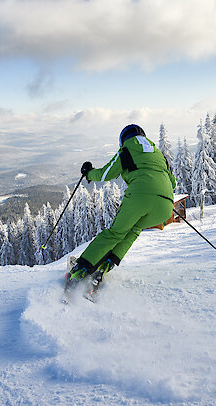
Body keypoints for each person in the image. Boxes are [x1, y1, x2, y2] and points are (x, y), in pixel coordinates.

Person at [66, 124, 177, 292]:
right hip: (165, 206)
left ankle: (80, 271)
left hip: (140, 197)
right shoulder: (159, 154)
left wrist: (88, 173)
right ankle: (105, 265)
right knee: (134, 229)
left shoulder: (127, 150)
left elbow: (106, 174)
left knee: (115, 233)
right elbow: (173, 182)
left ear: (123, 139)